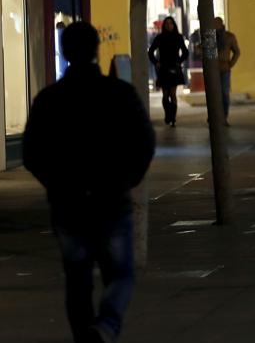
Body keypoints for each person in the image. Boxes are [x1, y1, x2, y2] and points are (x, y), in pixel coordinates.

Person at [23, 22, 155, 343]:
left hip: (69, 204)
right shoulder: (120, 94)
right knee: (121, 273)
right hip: (111, 198)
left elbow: (32, 152)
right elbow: (144, 141)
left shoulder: (49, 99)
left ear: (64, 52)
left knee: (78, 279)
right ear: (97, 49)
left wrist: (55, 183)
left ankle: (85, 336)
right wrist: (128, 178)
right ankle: (106, 326)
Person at [147, 16, 188, 127]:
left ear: (174, 25)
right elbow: (150, 52)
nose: (169, 25)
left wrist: (179, 61)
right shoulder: (159, 37)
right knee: (165, 94)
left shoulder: (178, 37)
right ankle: (167, 115)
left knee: (173, 93)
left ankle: (173, 118)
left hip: (174, 67)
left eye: (171, 23)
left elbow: (185, 52)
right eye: (167, 23)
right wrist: (156, 62)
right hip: (164, 67)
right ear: (164, 25)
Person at [214, 17, 241, 124]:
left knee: (224, 93)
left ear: (221, 24)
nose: (215, 26)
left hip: (225, 69)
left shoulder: (229, 37)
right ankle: (214, 115)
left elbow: (237, 52)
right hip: (213, 70)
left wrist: (230, 64)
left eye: (217, 24)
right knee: (214, 94)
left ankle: (224, 116)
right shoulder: (210, 37)